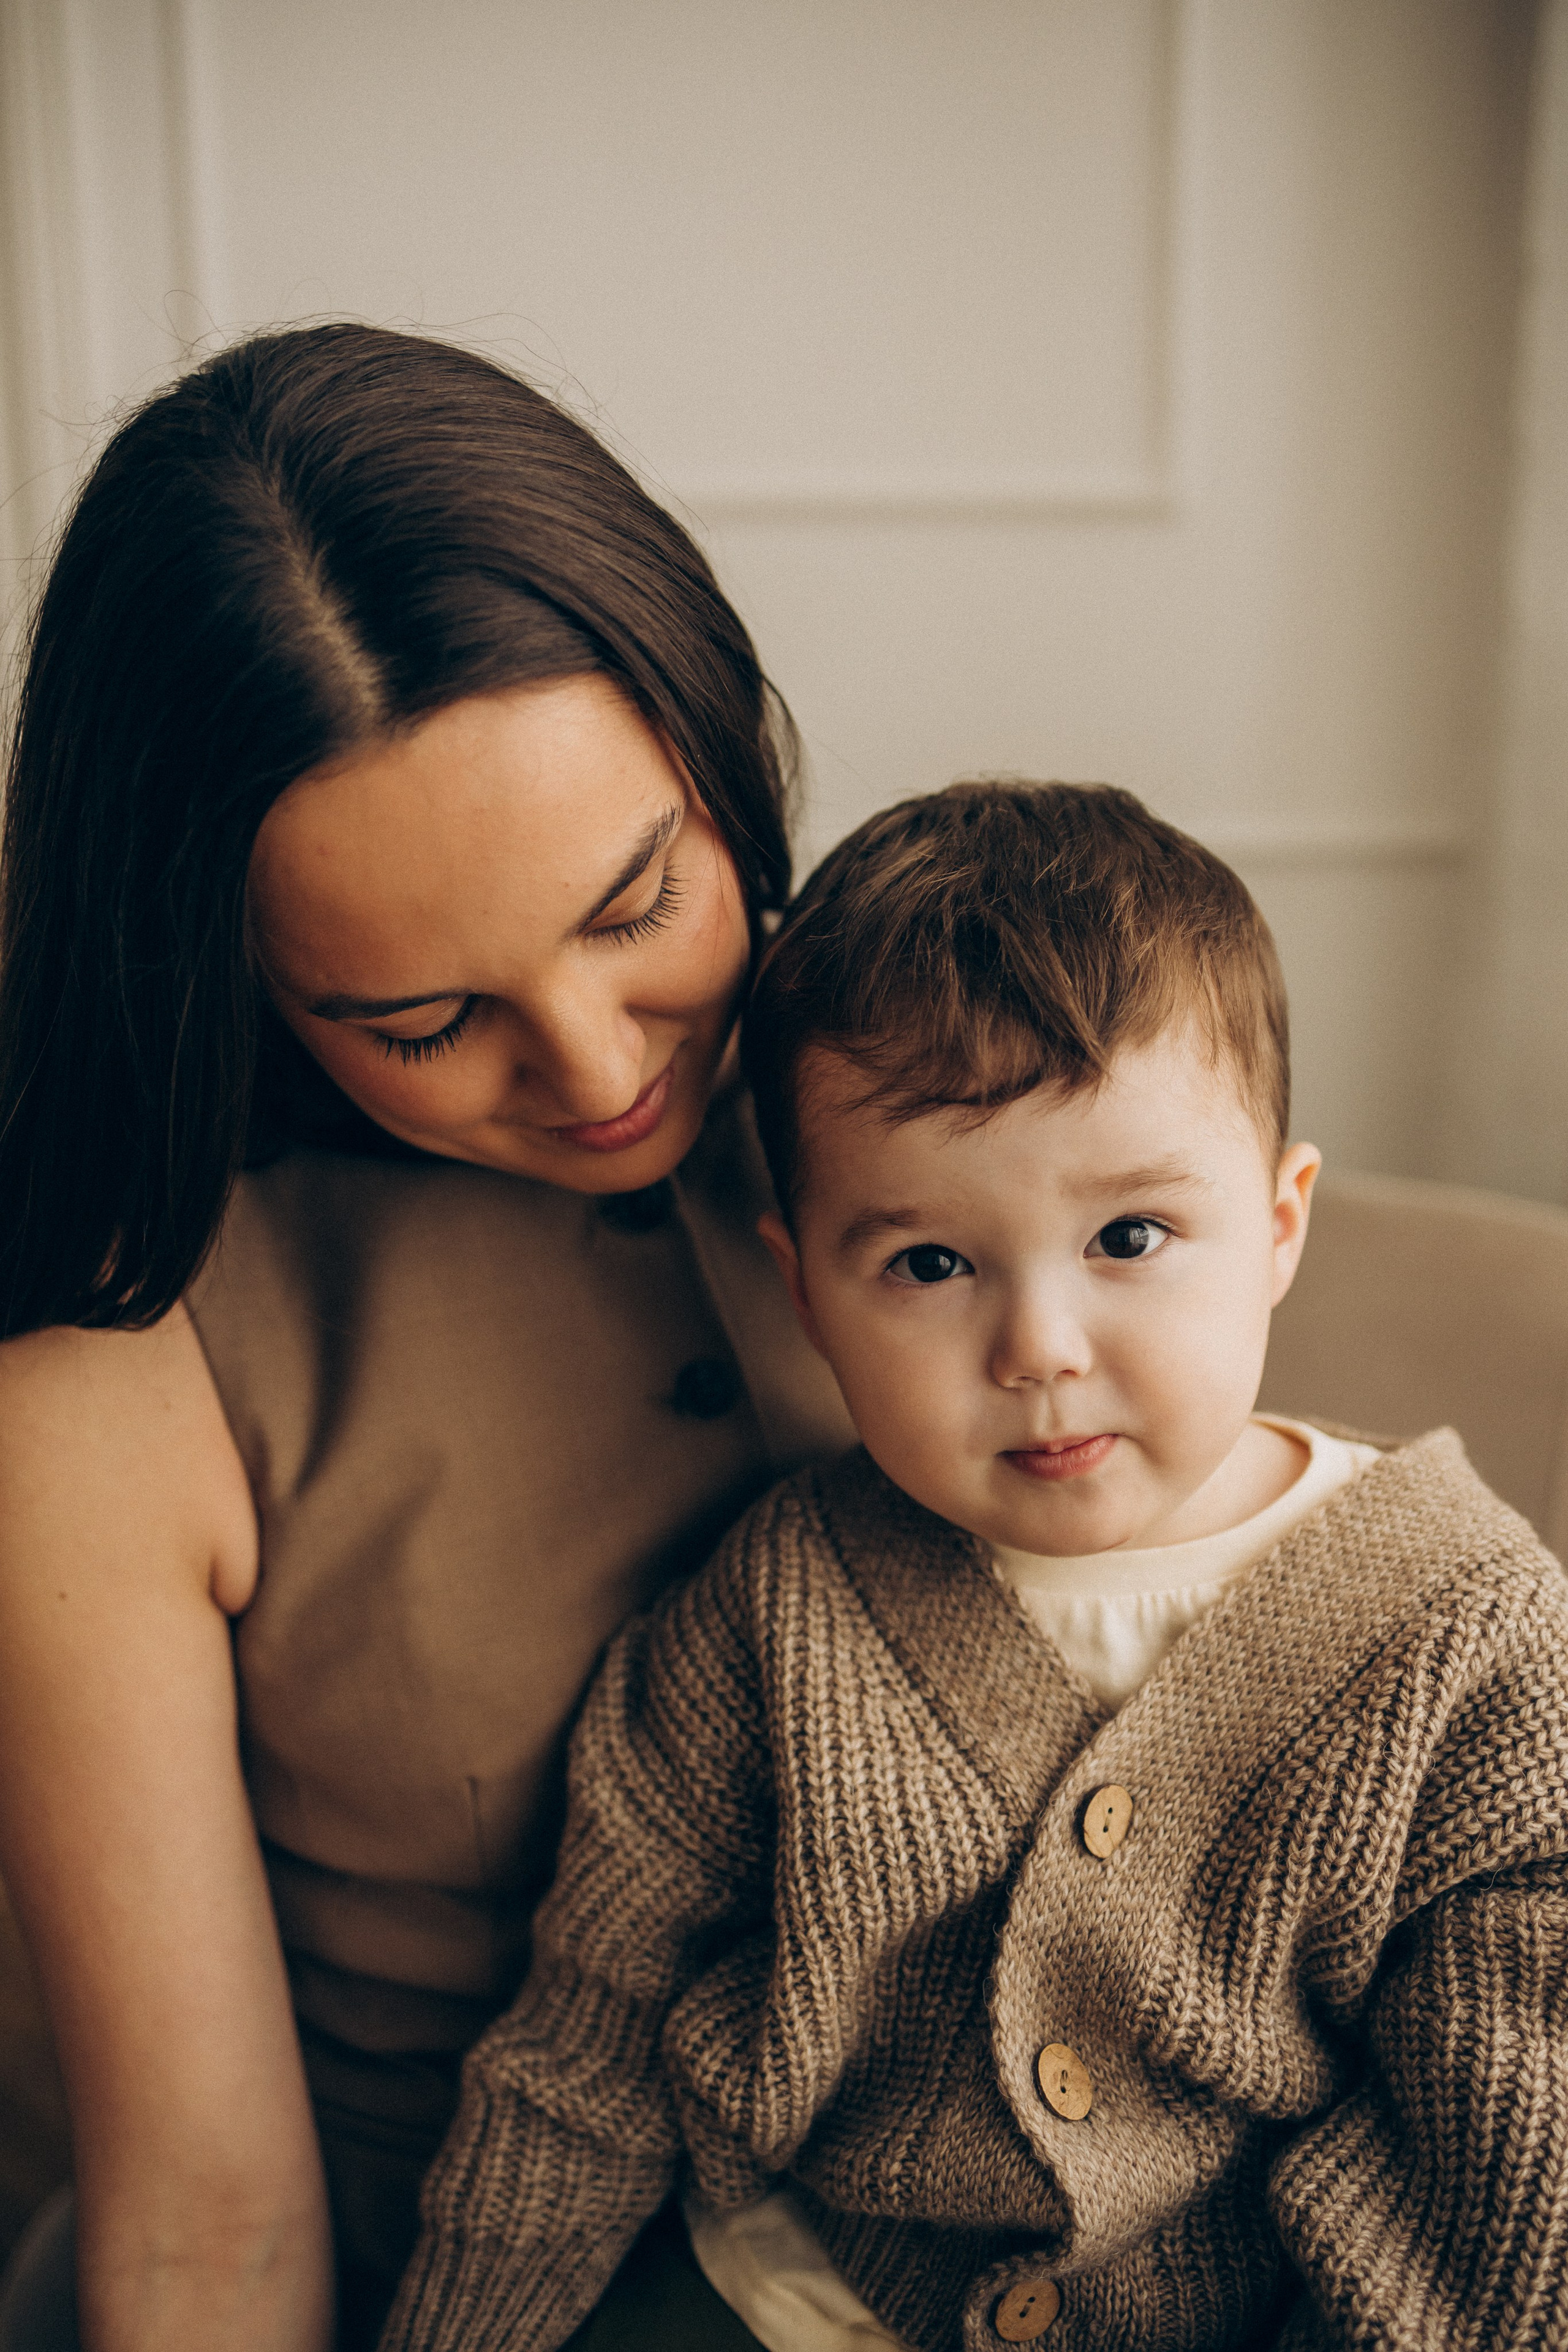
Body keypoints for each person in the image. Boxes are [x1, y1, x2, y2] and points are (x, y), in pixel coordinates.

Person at [380, 781, 1568, 2352]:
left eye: (1130, 1238)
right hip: (778, 2293)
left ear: (1279, 1224)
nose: (1038, 1350)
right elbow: (584, 2055)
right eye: (928, 1264)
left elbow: (1493, 2192)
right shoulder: (773, 1610)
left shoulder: (1477, 1648)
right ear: (804, 1288)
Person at [0, 323, 853, 2352]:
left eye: (639, 906)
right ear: (236, 987)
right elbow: (212, 2222)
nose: (592, 1073)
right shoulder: (116, 1370)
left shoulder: (933, 1054)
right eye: (423, 1021)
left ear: (717, 740)